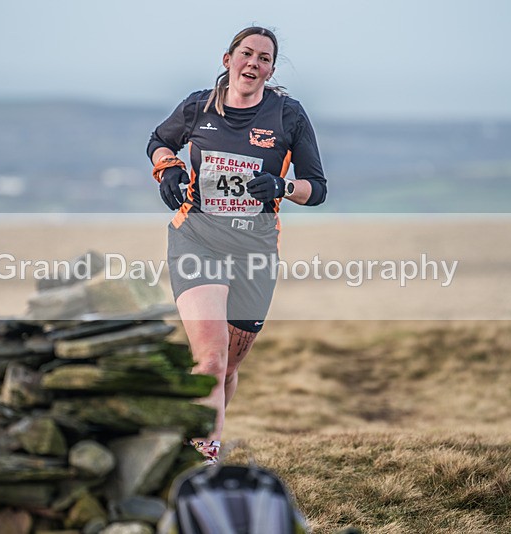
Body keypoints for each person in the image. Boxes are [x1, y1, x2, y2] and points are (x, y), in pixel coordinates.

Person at [146, 26, 326, 464]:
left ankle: (208, 434)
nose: (253, 63)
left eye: (264, 58)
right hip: (197, 239)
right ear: (228, 59)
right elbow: (159, 141)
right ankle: (203, 458)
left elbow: (317, 188)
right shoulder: (198, 106)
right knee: (209, 359)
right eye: (247, 53)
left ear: (271, 70)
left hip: (255, 252)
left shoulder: (288, 116)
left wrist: (282, 186)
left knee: (227, 368)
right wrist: (168, 169)